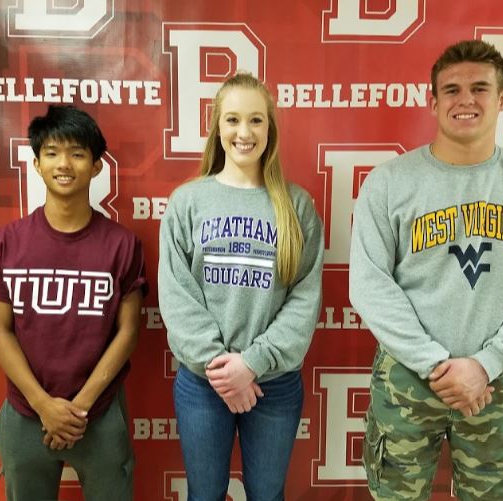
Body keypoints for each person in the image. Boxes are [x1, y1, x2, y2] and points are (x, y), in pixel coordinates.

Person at [350, 40, 503, 501]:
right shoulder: (390, 183)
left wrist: (485, 365)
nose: (465, 100)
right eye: (451, 89)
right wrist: (435, 364)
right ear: (432, 101)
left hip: (495, 383)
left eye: (480, 88)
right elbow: (371, 285)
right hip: (407, 380)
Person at [158, 72, 324, 501]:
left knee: (268, 495)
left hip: (274, 382)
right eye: (232, 120)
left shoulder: (297, 206)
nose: (244, 133)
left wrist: (252, 363)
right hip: (202, 381)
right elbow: (177, 295)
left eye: (256, 120)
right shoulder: (188, 202)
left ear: (270, 128)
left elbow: (304, 299)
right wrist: (222, 367)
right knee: (204, 494)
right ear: (217, 127)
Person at [0, 105, 147, 501]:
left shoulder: (122, 245)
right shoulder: (6, 243)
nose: (63, 163)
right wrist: (42, 404)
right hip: (25, 411)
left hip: (98, 414)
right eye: (51, 152)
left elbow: (129, 331)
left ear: (97, 166)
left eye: (77, 153)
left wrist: (79, 407)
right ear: (36, 163)